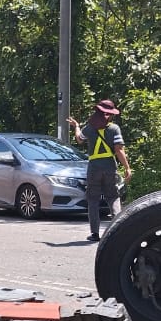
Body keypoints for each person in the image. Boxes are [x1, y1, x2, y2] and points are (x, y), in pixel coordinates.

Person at [68, 99, 132, 241]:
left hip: (94, 167)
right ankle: (118, 230)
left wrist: (76, 126)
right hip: (109, 165)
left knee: (93, 200)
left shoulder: (90, 128)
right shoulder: (114, 128)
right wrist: (127, 167)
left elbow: (79, 139)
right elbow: (119, 150)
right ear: (109, 115)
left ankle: (95, 234)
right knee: (113, 197)